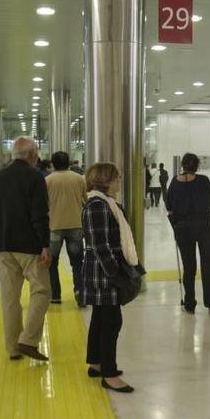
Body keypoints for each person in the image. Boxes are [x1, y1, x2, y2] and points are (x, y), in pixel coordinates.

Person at [0, 136, 52, 362]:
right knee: (41, 291)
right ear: (31, 154)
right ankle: (28, 339)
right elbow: (39, 214)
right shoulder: (35, 177)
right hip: (30, 246)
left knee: (10, 298)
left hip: (4, 246)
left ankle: (12, 348)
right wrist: (44, 244)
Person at [82, 162, 135, 393]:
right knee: (112, 321)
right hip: (103, 272)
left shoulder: (106, 204)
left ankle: (96, 362)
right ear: (105, 180)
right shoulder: (97, 206)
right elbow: (100, 245)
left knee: (101, 318)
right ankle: (109, 374)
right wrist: (116, 274)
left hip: (103, 270)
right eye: (116, 177)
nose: (118, 181)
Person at [166, 153, 210, 315]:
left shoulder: (174, 182)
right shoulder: (204, 181)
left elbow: (169, 207)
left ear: (182, 165)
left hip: (183, 229)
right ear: (197, 166)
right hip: (204, 227)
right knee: (208, 265)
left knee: (189, 268)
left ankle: (189, 304)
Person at [46, 151, 87, 305]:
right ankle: (80, 293)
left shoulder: (47, 181)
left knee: (52, 263)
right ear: (69, 162)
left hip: (54, 227)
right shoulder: (79, 179)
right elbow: (86, 200)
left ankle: (55, 295)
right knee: (77, 262)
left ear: (53, 164)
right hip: (75, 225)